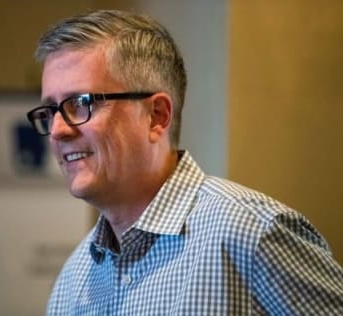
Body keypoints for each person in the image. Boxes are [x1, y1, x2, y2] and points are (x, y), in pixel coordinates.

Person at [27, 9, 343, 315]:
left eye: (81, 104)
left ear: (156, 116)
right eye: (51, 111)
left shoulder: (252, 233)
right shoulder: (73, 278)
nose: (57, 130)